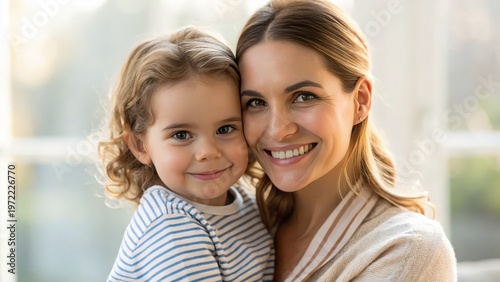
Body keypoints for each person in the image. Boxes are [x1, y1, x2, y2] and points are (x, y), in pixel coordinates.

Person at [236, 0, 457, 281]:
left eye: (304, 97)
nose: (278, 130)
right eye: (255, 102)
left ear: (361, 100)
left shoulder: (406, 251)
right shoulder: (237, 226)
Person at [98, 26, 274, 281]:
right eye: (181, 135)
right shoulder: (170, 228)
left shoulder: (244, 203)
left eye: (225, 129)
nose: (208, 152)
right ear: (140, 145)